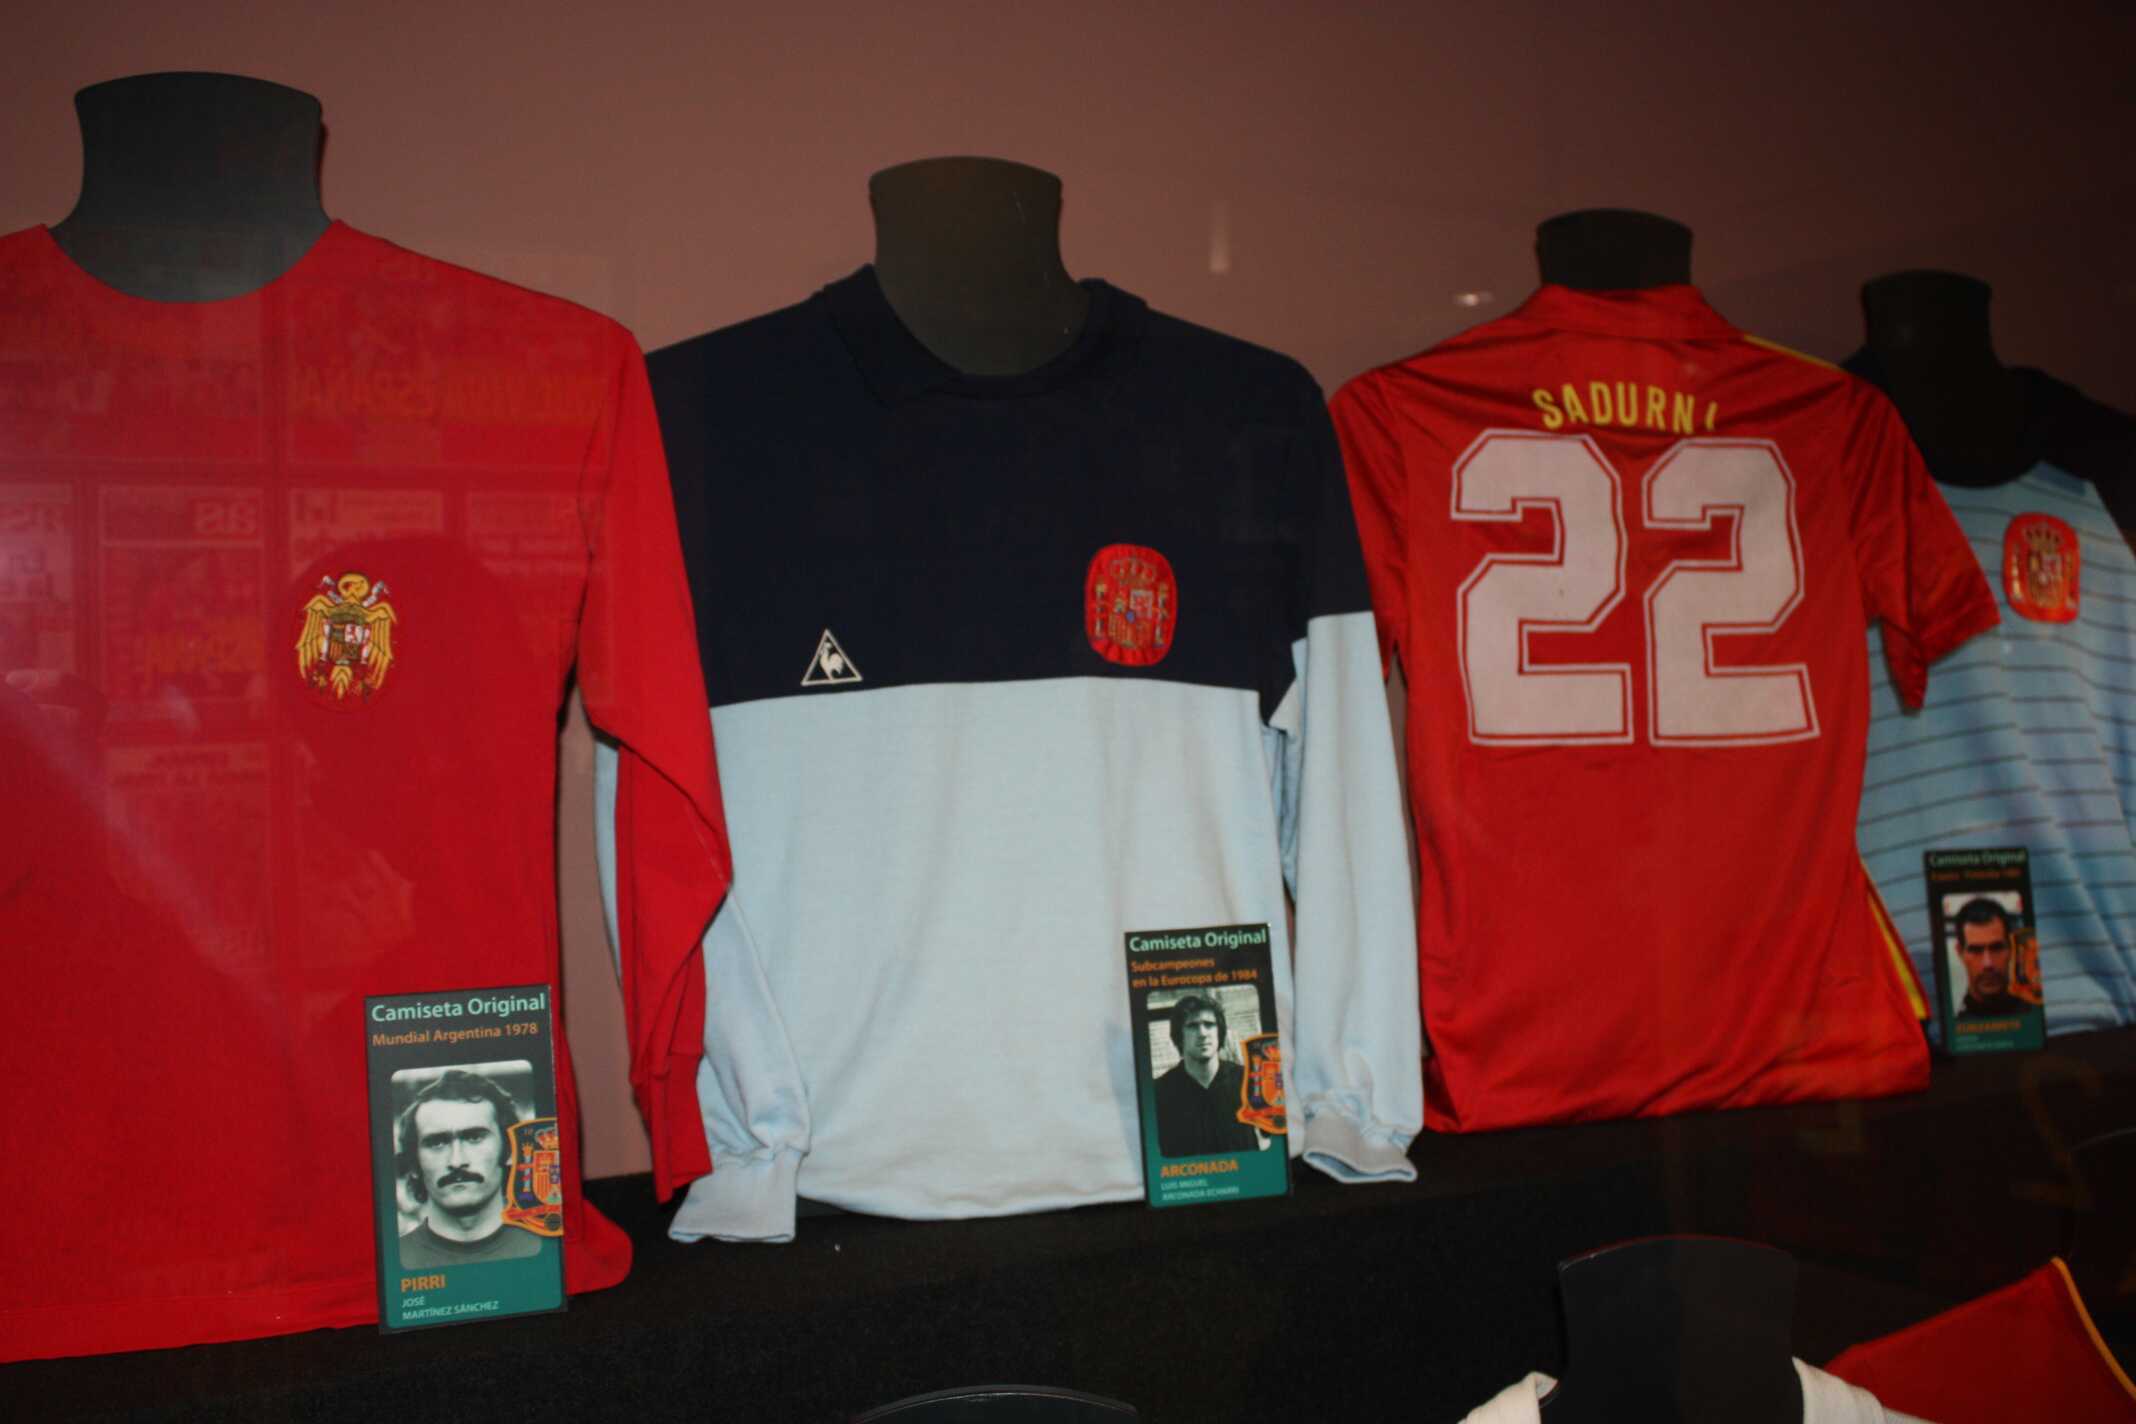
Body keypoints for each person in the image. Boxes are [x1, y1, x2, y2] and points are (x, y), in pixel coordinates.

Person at [395, 1069, 541, 1267]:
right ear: (414, 1164)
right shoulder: (395, 1261)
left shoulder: (546, 1249)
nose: (456, 1161)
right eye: (437, 1143)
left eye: (474, 1138)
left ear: (510, 1150)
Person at [1151, 994, 1264, 1158]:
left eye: (1209, 1025)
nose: (1202, 1033)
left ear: (1219, 1032)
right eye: (1192, 1026)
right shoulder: (1158, 1093)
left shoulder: (1248, 1079)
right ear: (1179, 1036)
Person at [1952, 899, 2031, 1020]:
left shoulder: (2033, 1016)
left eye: (1996, 948)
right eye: (1976, 950)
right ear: (1960, 952)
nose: (1988, 963)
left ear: (2012, 947)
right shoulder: (1954, 1026)